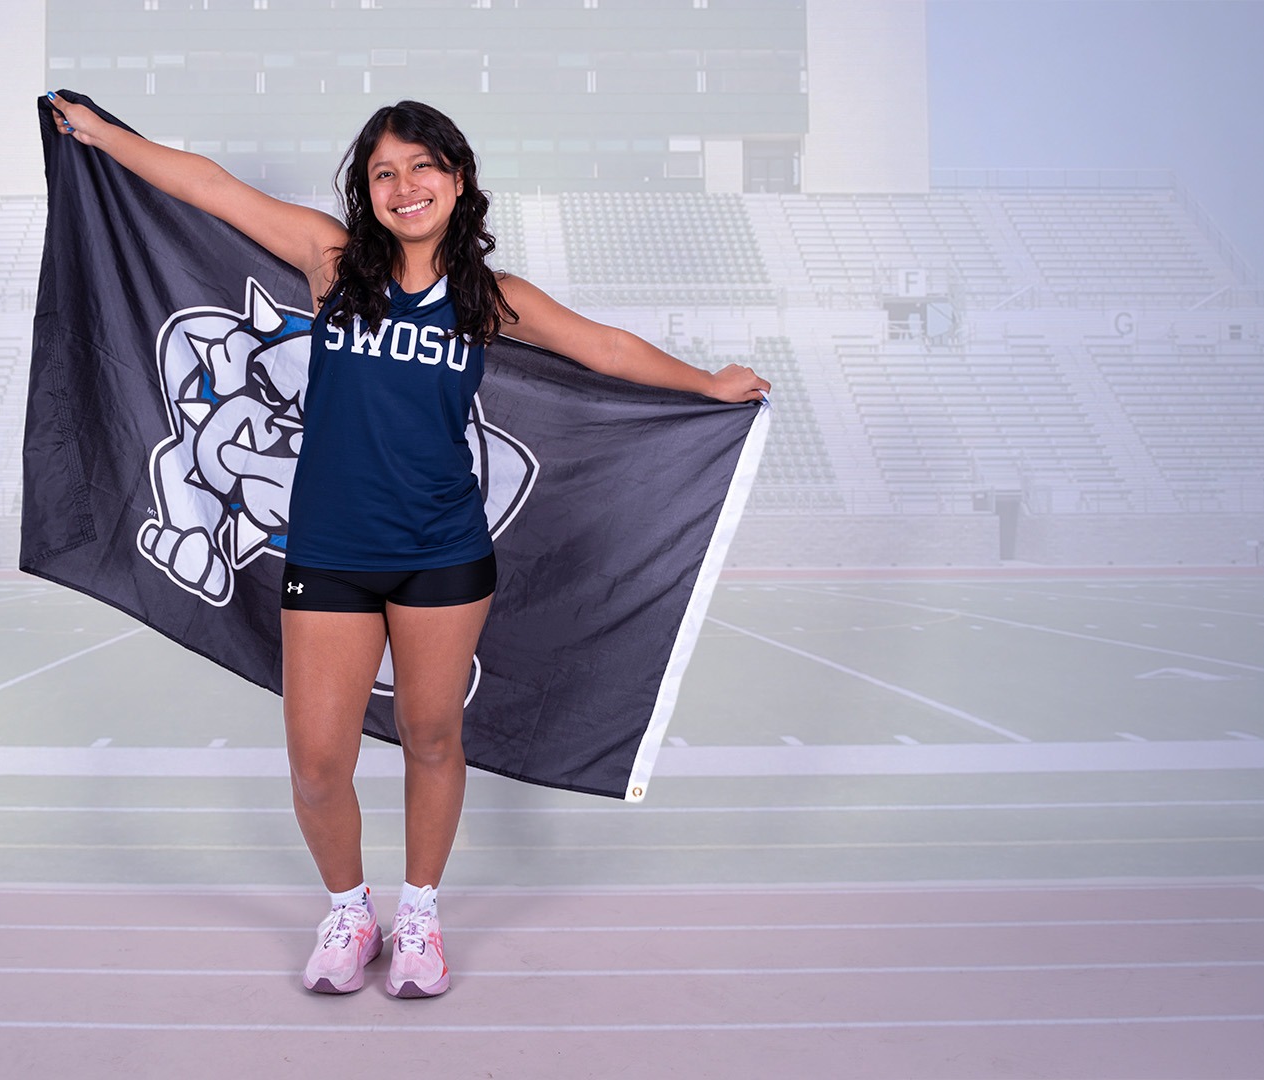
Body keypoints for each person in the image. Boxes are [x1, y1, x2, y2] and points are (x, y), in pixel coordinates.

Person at [46, 94, 769, 998]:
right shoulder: (332, 260)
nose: (404, 185)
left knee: (431, 734)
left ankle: (420, 916)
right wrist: (104, 137)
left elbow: (607, 349)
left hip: (443, 554)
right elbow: (213, 190)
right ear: (368, 191)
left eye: (422, 166)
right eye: (384, 172)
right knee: (317, 764)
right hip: (332, 552)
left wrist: (707, 383)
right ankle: (350, 912)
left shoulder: (486, 298)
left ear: (457, 181)